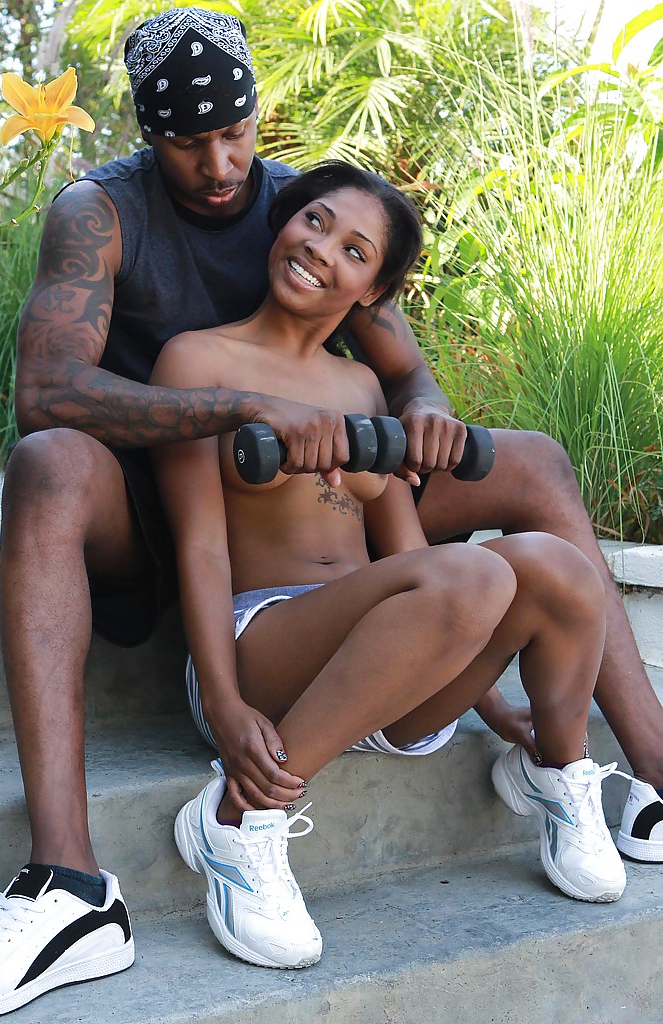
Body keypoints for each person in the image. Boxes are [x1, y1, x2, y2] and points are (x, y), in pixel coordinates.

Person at [0, 3, 660, 1017]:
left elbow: (403, 372)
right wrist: (243, 409)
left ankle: (639, 773)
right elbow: (46, 392)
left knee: (532, 467)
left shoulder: (307, 207)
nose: (220, 163)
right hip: (162, 498)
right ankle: (69, 883)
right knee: (46, 464)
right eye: (188, 141)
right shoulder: (101, 211)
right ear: (148, 132)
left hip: (314, 508)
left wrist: (423, 415)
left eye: (236, 132)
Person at [150, 161, 627, 970]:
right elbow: (199, 543)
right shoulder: (197, 361)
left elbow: (405, 552)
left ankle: (556, 766)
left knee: (560, 566)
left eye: (354, 249)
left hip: (386, 673)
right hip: (259, 653)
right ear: (282, 224)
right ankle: (238, 819)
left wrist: (484, 700)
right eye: (315, 221)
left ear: (373, 290)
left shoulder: (364, 386)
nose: (321, 248)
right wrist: (223, 703)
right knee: (475, 572)